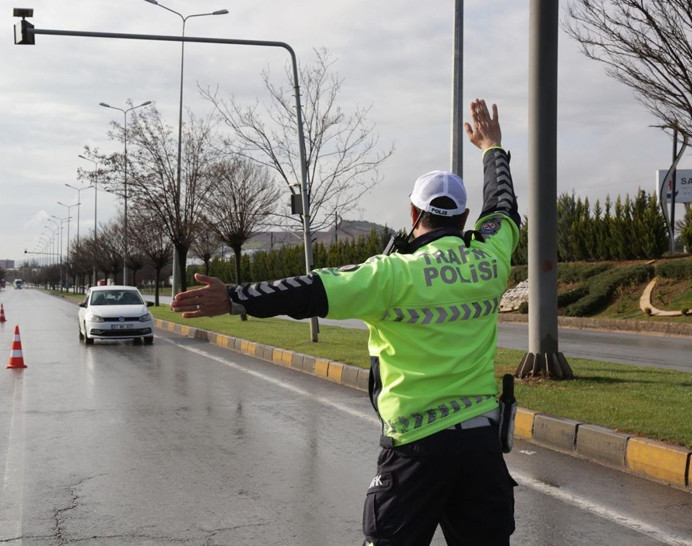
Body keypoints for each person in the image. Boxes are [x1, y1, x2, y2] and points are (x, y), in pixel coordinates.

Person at [171, 98, 520, 546]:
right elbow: (503, 208)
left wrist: (236, 297)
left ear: (413, 215)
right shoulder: (490, 259)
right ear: (465, 218)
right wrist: (492, 147)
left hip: (415, 449)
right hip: (480, 449)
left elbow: (308, 290)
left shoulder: (390, 275)